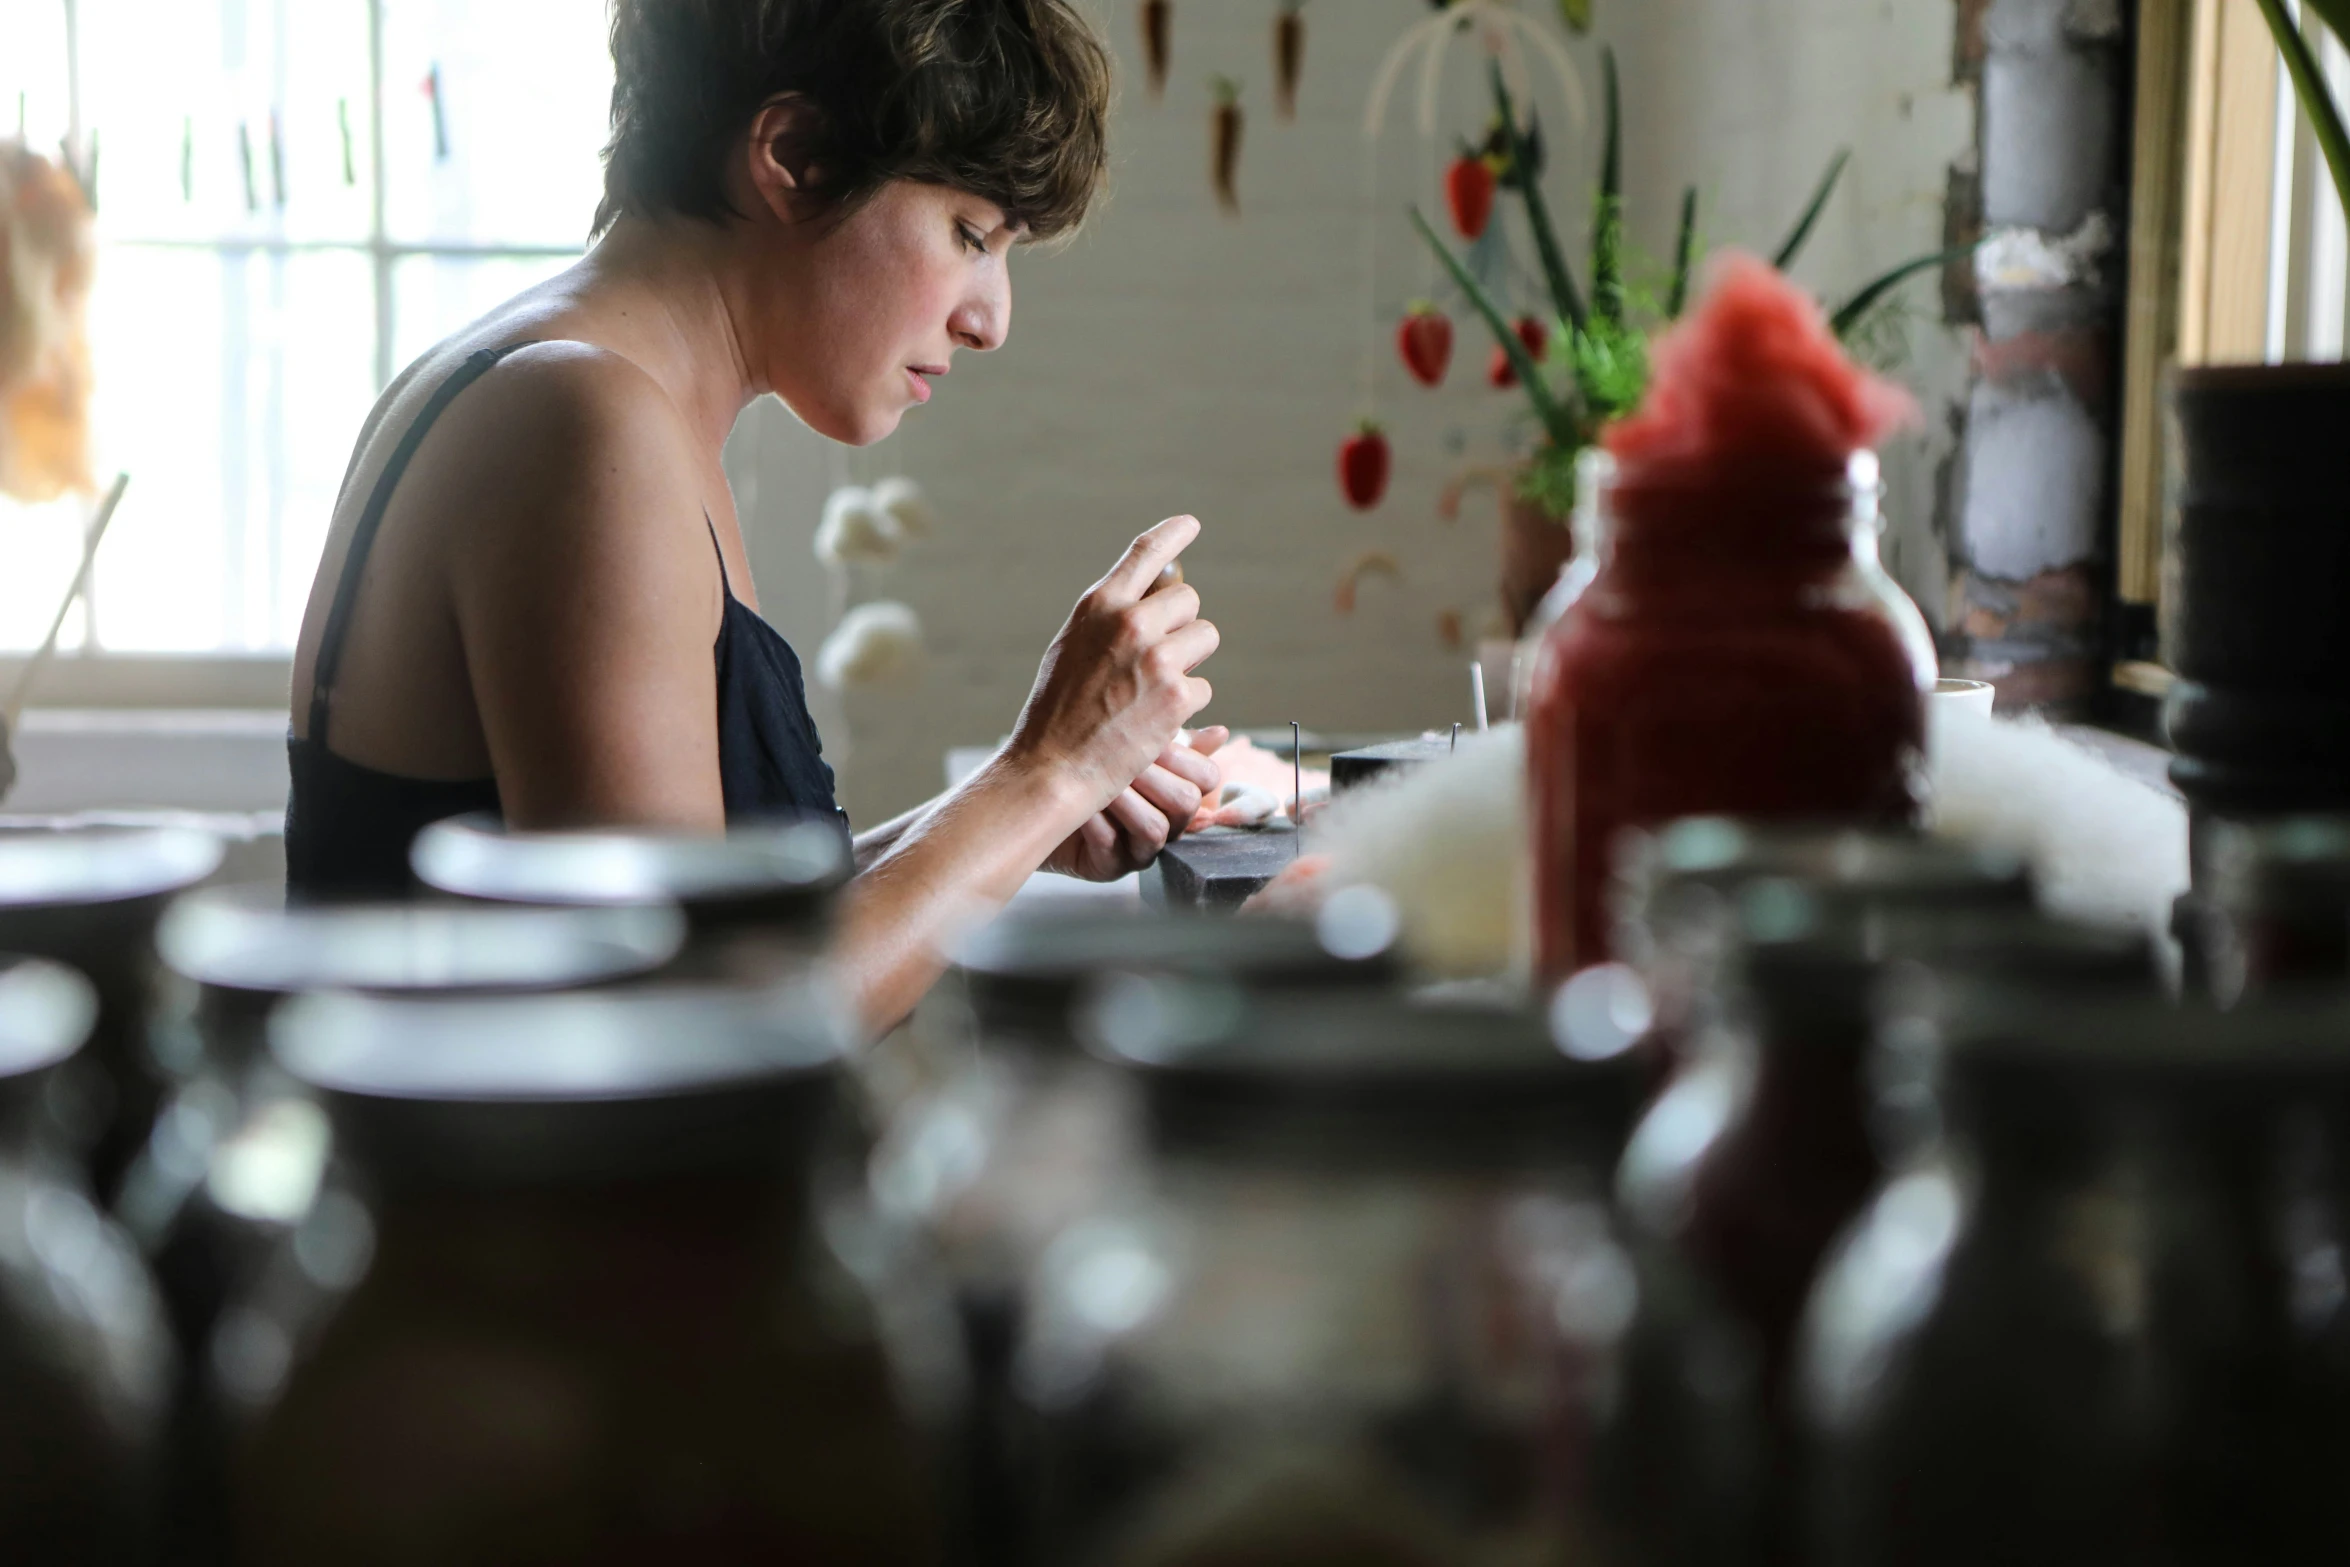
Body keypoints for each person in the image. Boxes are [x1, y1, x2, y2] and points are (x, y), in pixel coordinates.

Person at [285, 0, 1221, 1033]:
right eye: (968, 235)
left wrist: (1010, 824)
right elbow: (691, 1027)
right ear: (795, 155)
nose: (990, 319)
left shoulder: (549, 386)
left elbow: (725, 924)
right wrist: (1046, 773)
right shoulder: (581, 430)